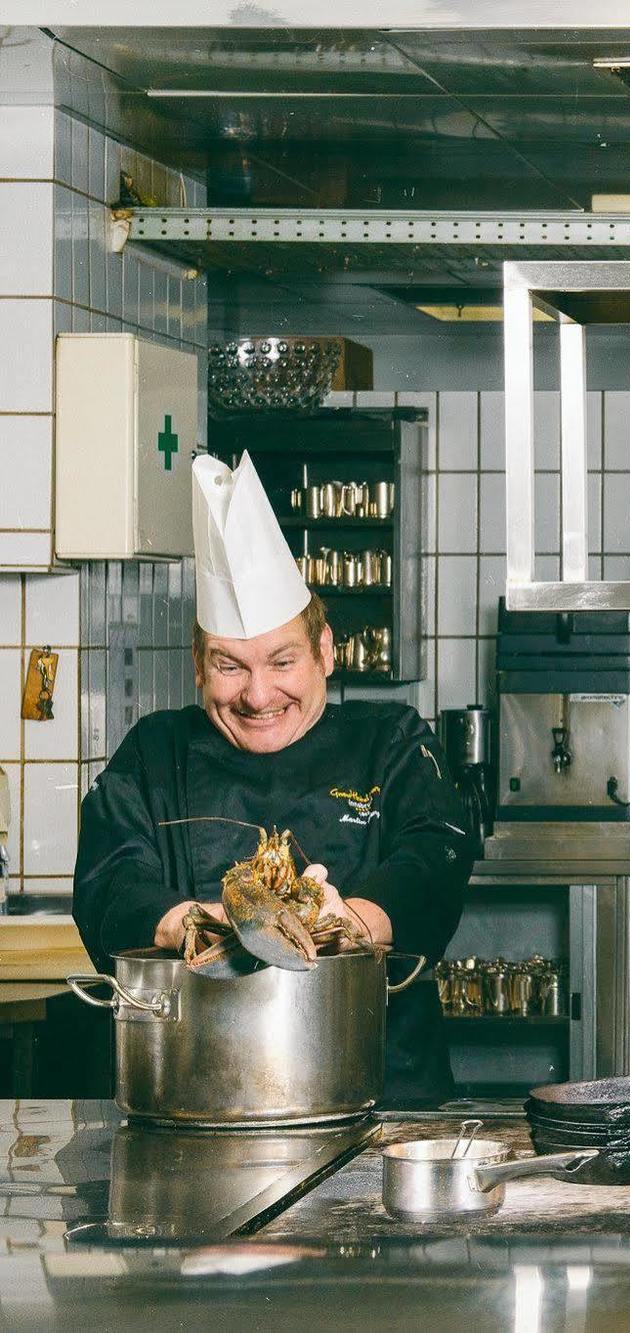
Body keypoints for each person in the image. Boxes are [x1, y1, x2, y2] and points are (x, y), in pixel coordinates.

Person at [74, 452, 475, 1104]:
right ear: (199, 666)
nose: (258, 695)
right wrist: (193, 924)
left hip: (384, 1102)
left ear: (325, 651)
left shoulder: (391, 739)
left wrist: (353, 921)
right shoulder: (155, 750)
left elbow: (438, 850)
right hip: (198, 1100)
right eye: (230, 666)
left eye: (282, 660)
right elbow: (107, 876)